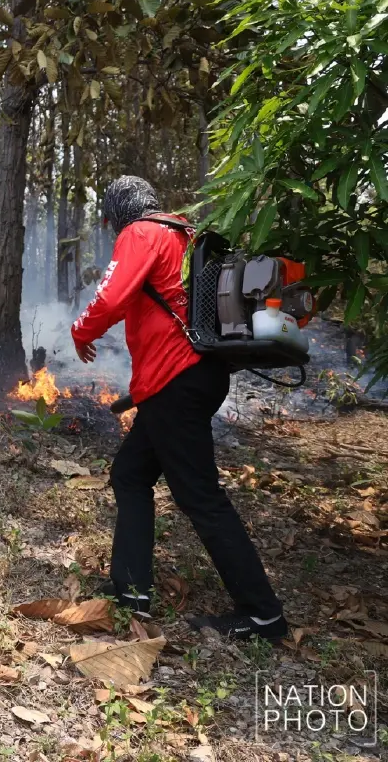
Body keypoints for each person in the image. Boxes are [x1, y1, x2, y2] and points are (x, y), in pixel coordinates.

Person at [71, 175, 286, 641]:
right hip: (195, 376)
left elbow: (110, 295)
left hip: (175, 380)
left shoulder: (141, 233)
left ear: (117, 214)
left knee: (201, 497)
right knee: (129, 473)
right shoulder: (186, 234)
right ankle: (131, 590)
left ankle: (263, 614)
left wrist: (81, 331)